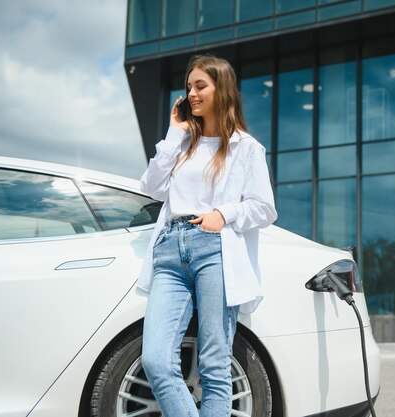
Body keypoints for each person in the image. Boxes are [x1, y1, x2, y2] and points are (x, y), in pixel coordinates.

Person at [136, 54, 277, 417]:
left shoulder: (246, 147)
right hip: (169, 250)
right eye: (188, 87)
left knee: (215, 365)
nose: (191, 94)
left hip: (215, 249)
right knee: (155, 360)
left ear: (222, 89)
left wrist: (223, 214)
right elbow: (151, 188)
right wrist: (174, 133)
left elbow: (264, 209)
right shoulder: (183, 144)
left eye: (200, 86)